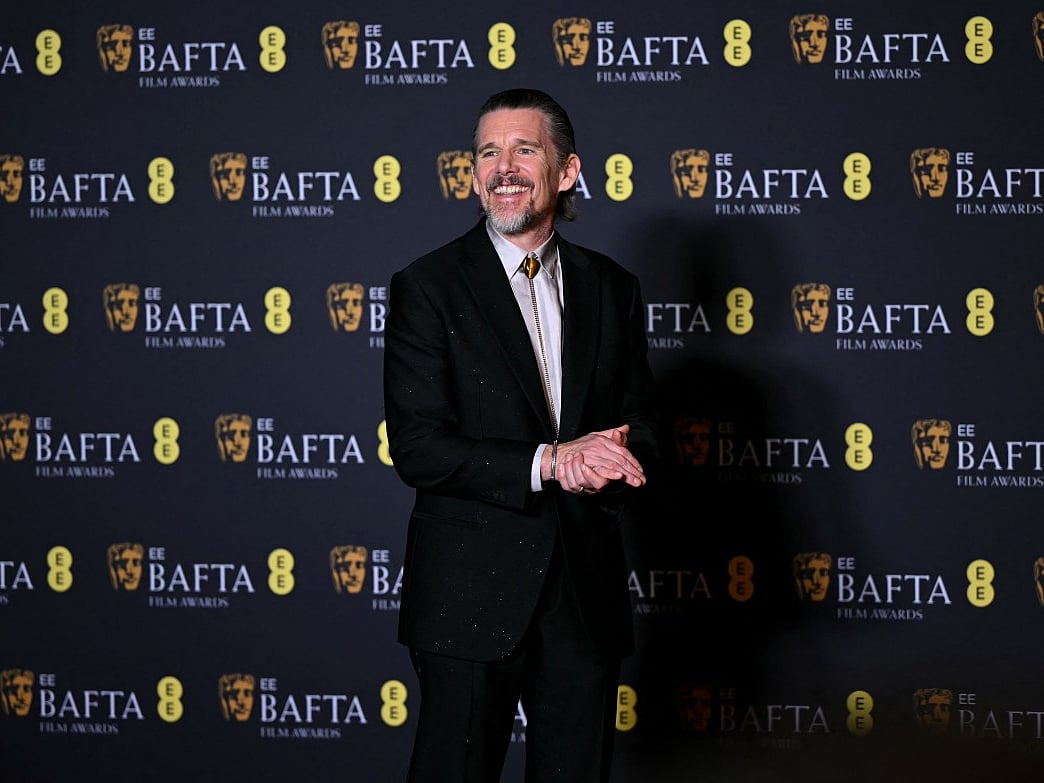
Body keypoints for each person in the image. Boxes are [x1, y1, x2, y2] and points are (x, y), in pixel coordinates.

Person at [384, 87, 655, 782]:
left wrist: (615, 461)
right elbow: (418, 446)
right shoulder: (428, 285)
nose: (503, 167)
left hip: (583, 595)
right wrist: (553, 461)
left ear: (566, 172)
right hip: (469, 596)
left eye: (524, 149)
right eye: (487, 152)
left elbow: (642, 429)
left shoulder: (612, 287)